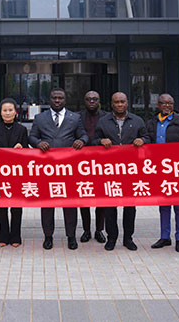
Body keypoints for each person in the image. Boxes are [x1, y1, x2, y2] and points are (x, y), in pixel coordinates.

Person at [29, 88, 88, 250]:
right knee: (47, 205)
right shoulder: (40, 118)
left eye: (60, 98)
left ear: (64, 100)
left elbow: (83, 135)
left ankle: (71, 237)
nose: (57, 100)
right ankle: (48, 236)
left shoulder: (75, 118)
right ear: (49, 99)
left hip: (68, 168)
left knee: (70, 204)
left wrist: (81, 141)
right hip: (47, 169)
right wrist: (37, 143)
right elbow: (32, 136)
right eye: (54, 98)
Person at [91, 92, 149, 251]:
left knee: (130, 206)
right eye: (116, 102)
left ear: (127, 103)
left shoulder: (137, 121)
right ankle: (112, 238)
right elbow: (94, 142)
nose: (119, 104)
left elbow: (148, 137)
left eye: (122, 101)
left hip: (131, 171)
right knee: (110, 206)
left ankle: (128, 238)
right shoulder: (103, 122)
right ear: (111, 104)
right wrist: (101, 141)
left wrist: (142, 140)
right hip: (110, 171)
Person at [146, 93, 179, 253]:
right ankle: (164, 237)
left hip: (177, 171)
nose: (167, 106)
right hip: (158, 170)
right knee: (163, 205)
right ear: (158, 105)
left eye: (170, 103)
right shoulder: (152, 123)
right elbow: (147, 143)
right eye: (163, 103)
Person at [0, 98, 29, 248]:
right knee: (1, 206)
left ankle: (16, 237)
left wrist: (22, 147)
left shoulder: (22, 129)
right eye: (4, 110)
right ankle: (3, 236)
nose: (7, 113)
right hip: (0, 173)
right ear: (0, 112)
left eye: (10, 110)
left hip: (17, 173)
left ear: (15, 112)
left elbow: (27, 151)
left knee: (17, 206)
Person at [78, 90, 106, 244]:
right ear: (84, 101)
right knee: (84, 197)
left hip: (102, 162)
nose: (91, 101)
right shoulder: (77, 117)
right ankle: (86, 230)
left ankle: (99, 230)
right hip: (82, 162)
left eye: (95, 99)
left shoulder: (107, 117)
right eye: (88, 99)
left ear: (99, 100)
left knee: (101, 198)